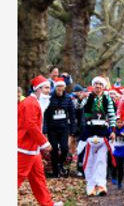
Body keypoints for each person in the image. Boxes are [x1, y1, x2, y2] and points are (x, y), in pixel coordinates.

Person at [18, 75, 64, 206]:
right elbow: (30, 125)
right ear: (37, 89)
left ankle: (47, 204)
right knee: (17, 177)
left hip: (32, 149)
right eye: (45, 88)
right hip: (24, 148)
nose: (48, 91)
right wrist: (44, 142)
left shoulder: (35, 103)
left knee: (39, 178)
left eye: (49, 88)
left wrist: (40, 144)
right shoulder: (30, 103)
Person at [79, 76, 117, 196]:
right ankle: (90, 186)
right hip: (90, 131)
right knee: (89, 159)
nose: (98, 86)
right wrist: (81, 98)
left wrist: (113, 130)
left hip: (103, 131)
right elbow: (79, 107)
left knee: (101, 160)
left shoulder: (107, 99)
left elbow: (112, 115)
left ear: (103, 86)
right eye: (96, 84)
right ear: (93, 86)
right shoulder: (88, 97)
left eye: (100, 84)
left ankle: (101, 185)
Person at [43, 77, 76, 178]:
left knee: (65, 149)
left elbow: (72, 115)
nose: (60, 88)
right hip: (52, 129)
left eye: (62, 86)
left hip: (64, 128)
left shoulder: (68, 98)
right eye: (58, 86)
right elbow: (45, 115)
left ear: (64, 87)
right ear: (55, 87)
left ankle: (60, 163)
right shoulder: (49, 98)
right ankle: (56, 172)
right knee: (53, 151)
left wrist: (72, 130)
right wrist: (45, 130)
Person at [110, 118, 124, 189]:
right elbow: (110, 135)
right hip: (115, 150)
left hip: (122, 151)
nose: (119, 124)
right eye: (118, 122)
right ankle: (114, 177)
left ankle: (120, 182)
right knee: (114, 165)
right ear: (115, 123)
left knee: (120, 167)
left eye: (121, 122)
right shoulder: (113, 130)